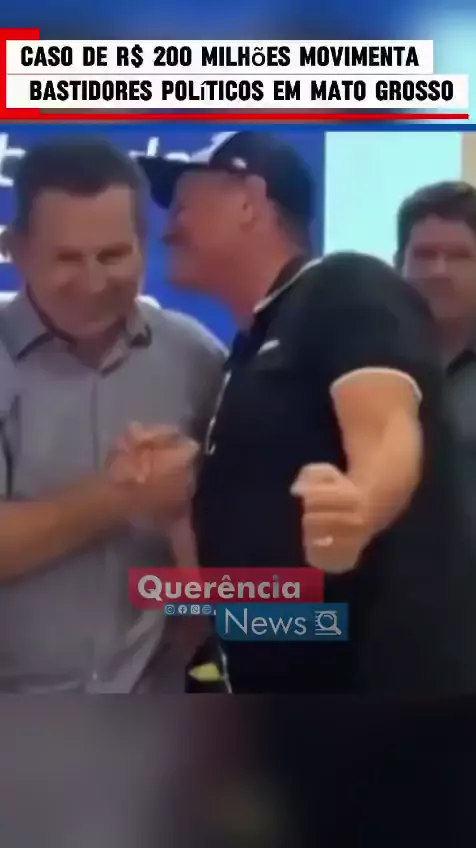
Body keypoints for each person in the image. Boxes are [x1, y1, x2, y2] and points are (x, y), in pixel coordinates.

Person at [137, 130, 476, 694]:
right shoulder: (247, 352)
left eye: (185, 205)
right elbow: (274, 606)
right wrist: (173, 511)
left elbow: (388, 425)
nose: (169, 227)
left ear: (248, 201)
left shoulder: (345, 284)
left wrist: (362, 504)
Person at [0, 136, 227, 693]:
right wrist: (116, 498)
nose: (94, 282)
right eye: (67, 258)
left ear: (145, 246)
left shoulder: (197, 358)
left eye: (113, 255)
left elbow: (224, 570)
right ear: (17, 250)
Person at [396, 181, 476, 542]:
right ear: (398, 264)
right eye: (424, 255)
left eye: (459, 256)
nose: (439, 271)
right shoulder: (364, 363)